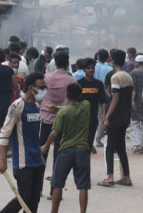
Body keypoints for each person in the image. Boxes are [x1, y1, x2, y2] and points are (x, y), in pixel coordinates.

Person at [0, 73, 47, 213]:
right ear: (31, 88)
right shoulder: (17, 106)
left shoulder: (37, 106)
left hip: (37, 161)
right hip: (23, 162)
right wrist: (2, 159)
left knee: (34, 200)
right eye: (41, 87)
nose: (44, 90)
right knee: (23, 197)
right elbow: (5, 132)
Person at [42, 83, 91, 213]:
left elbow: (54, 133)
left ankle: (54, 211)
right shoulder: (86, 106)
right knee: (83, 186)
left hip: (65, 150)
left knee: (57, 183)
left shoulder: (62, 113)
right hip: (82, 149)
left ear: (66, 95)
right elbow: (75, 105)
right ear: (80, 95)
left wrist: (46, 146)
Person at [99, 49, 133, 187]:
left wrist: (107, 116)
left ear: (112, 61)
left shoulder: (115, 77)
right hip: (125, 116)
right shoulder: (128, 76)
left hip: (116, 116)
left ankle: (110, 177)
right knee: (121, 148)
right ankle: (126, 177)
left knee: (110, 147)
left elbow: (115, 99)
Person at [39, 50, 75, 166]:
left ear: (55, 64)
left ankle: (39, 171)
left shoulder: (45, 78)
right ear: (67, 64)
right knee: (59, 148)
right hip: (64, 119)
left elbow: (38, 95)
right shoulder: (72, 81)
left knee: (43, 146)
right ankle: (56, 175)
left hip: (46, 117)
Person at [77, 58, 106, 154]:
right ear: (84, 70)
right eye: (88, 68)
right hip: (81, 114)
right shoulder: (79, 83)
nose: (91, 70)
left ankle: (89, 146)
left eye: (92, 68)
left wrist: (104, 114)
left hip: (93, 114)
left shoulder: (98, 84)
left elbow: (102, 101)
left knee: (91, 132)